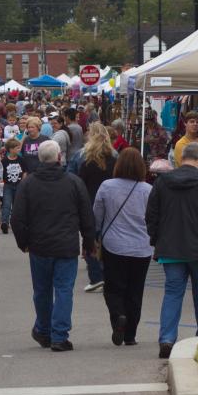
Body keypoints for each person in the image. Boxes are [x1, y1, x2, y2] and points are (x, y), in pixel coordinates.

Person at [11, 140, 95, 351]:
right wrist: (88, 242)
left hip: (39, 245)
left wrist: (24, 242)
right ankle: (58, 334)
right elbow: (87, 215)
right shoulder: (73, 182)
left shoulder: (28, 184)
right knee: (64, 290)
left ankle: (44, 329)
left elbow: (18, 217)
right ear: (59, 157)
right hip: (66, 245)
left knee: (42, 290)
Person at [146, 141, 198, 359]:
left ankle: (167, 338)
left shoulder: (163, 182)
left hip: (171, 248)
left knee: (172, 293)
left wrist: (156, 240)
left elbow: (151, 215)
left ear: (181, 159)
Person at [94, 148, 154, 346]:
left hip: (114, 244)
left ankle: (118, 316)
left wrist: (95, 235)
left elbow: (97, 215)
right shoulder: (147, 190)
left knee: (113, 288)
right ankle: (130, 334)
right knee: (135, 291)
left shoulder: (107, 186)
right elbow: (153, 218)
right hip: (142, 246)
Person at [77, 122, 117, 292]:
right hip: (112, 202)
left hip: (90, 202)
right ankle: (108, 275)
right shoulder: (115, 158)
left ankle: (96, 276)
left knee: (90, 239)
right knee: (108, 239)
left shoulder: (86, 159)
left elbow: (80, 183)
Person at [0, 137, 26, 235]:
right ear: (10, 149)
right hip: (8, 185)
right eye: (17, 148)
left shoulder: (21, 160)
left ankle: (16, 223)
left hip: (19, 185)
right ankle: (4, 222)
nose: (19, 150)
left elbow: (24, 171)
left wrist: (23, 181)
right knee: (6, 204)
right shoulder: (4, 161)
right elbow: (2, 172)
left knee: (16, 205)